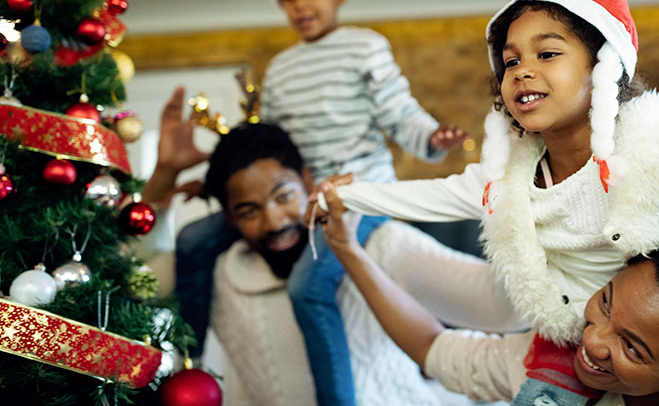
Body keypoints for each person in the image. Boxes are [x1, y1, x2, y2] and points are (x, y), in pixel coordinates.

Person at [316, 0, 659, 404]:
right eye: (510, 61)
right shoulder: (504, 183)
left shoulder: (654, 142)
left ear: (604, 68)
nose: (522, 70)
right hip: (566, 321)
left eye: (547, 54)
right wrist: (350, 196)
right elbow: (426, 199)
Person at [174, 0, 467, 404]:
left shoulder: (364, 46)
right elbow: (264, 146)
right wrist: (212, 185)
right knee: (193, 239)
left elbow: (398, 110)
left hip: (357, 196)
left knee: (309, 288)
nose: (300, 6)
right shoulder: (282, 68)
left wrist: (430, 137)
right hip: (292, 200)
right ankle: (185, 360)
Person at [318, 175, 659, 405]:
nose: (593, 342)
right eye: (607, 304)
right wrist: (349, 250)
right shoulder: (548, 365)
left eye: (633, 348)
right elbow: (436, 349)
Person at [139, 88, 448, 405]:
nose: (273, 222)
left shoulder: (384, 245)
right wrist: (165, 172)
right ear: (228, 216)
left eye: (284, 196)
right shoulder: (215, 270)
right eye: (248, 211)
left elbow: (494, 304)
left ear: (307, 178)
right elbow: (131, 278)